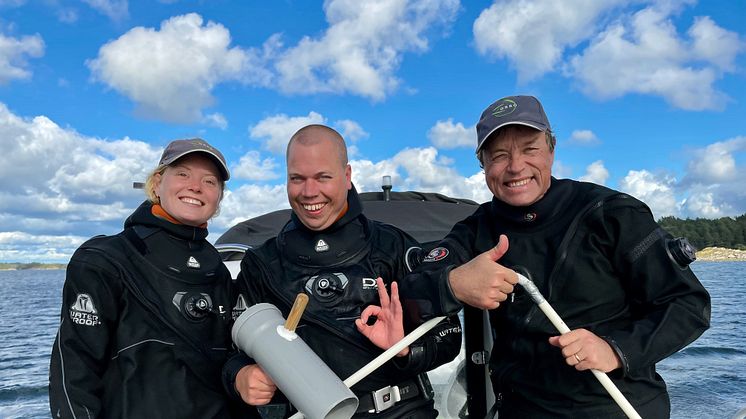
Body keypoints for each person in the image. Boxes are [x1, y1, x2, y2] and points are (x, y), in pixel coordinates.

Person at [399, 95, 711, 418]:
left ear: (552, 149)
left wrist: (615, 349)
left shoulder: (612, 214)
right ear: (482, 164)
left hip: (617, 407)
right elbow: (411, 286)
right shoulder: (476, 230)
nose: (516, 166)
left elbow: (688, 305)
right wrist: (452, 284)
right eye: (499, 155)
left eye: (529, 149)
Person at [223, 124, 462, 418]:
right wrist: (239, 376)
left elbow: (449, 336)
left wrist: (404, 349)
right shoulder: (262, 264)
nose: (310, 192)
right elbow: (229, 351)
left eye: (323, 177)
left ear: (347, 176)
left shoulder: (393, 246)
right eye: (297, 179)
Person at [49, 138, 258, 418]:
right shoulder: (105, 260)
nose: (195, 186)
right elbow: (74, 371)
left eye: (209, 181)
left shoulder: (217, 271)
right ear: (157, 183)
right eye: (182, 173)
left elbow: (228, 361)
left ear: (219, 197)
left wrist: (241, 374)